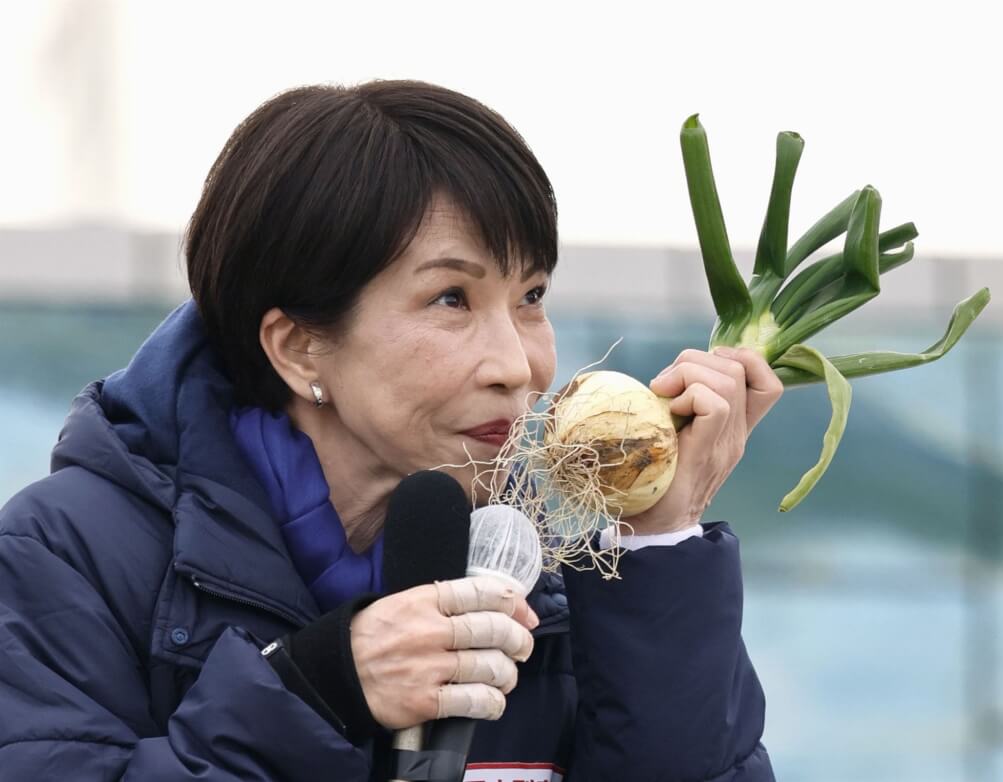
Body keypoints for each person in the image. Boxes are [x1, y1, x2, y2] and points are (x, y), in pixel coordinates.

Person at [0, 81, 782, 781]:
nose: (518, 366)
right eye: (451, 299)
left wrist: (657, 547)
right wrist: (317, 688)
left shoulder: (546, 570)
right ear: (298, 346)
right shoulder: (66, 555)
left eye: (532, 295)